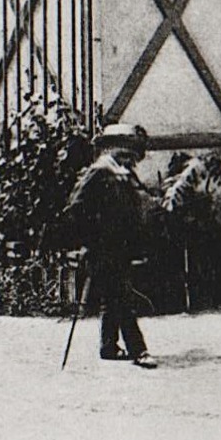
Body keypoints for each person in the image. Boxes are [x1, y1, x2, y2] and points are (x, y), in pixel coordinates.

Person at [65, 122, 158, 369]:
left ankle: (108, 347)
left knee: (113, 298)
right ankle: (139, 350)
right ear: (112, 149)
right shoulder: (99, 172)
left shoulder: (124, 173)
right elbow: (75, 208)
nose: (132, 157)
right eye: (126, 151)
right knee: (123, 298)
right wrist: (86, 239)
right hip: (102, 248)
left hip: (121, 247)